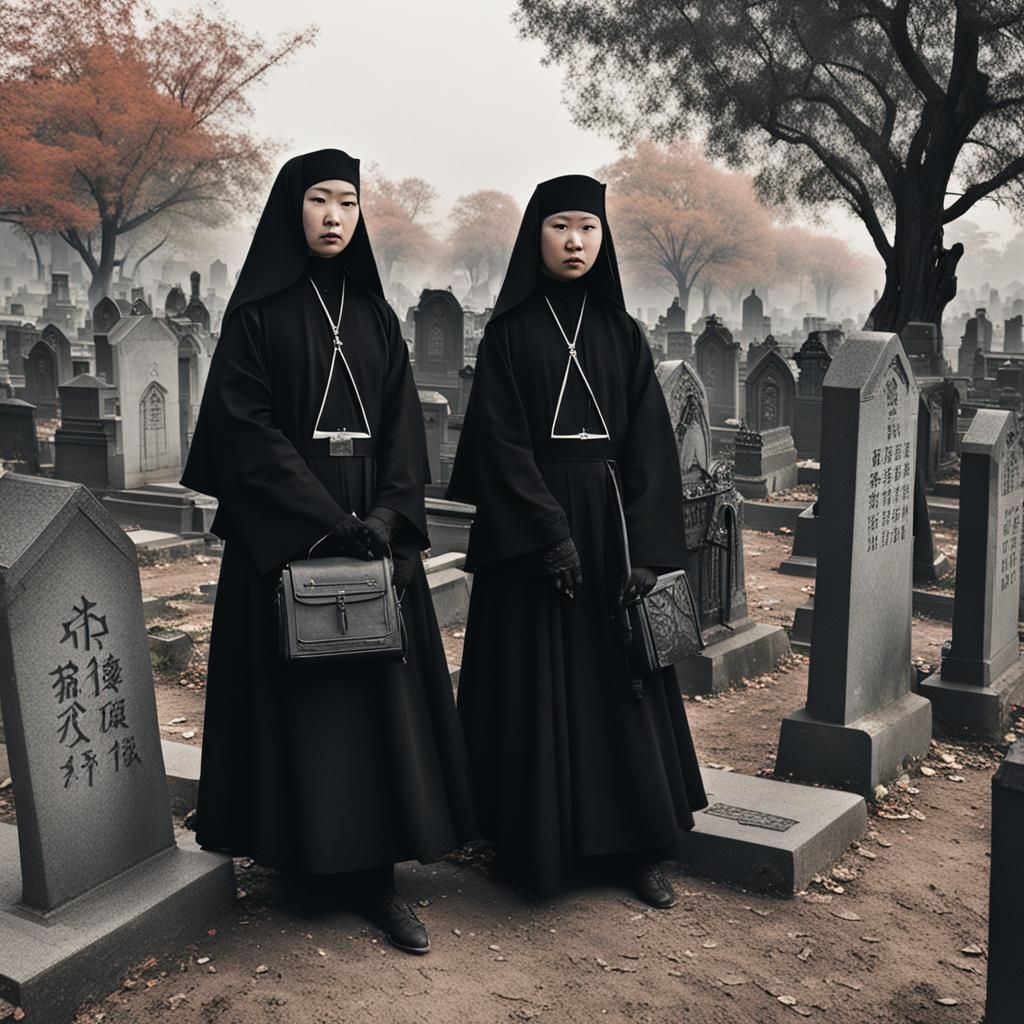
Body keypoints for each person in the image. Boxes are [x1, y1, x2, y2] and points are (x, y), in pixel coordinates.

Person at [181, 149, 476, 955]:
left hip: (372, 540)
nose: (336, 215)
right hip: (288, 537)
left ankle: (376, 880)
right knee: (302, 709)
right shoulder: (256, 316)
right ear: (293, 208)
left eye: (348, 200)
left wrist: (384, 516)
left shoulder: (379, 318)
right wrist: (322, 518)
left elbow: (403, 432)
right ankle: (302, 860)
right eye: (320, 199)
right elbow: (243, 432)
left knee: (375, 708)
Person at [447, 174, 707, 903]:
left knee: (617, 689)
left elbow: (652, 447)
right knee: (533, 682)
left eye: (587, 228)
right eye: (561, 226)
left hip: (613, 525)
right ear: (538, 235)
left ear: (603, 238)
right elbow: (499, 444)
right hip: (533, 531)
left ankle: (635, 848)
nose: (574, 241)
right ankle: (529, 845)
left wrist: (650, 555)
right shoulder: (507, 334)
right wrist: (549, 532)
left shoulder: (624, 334)